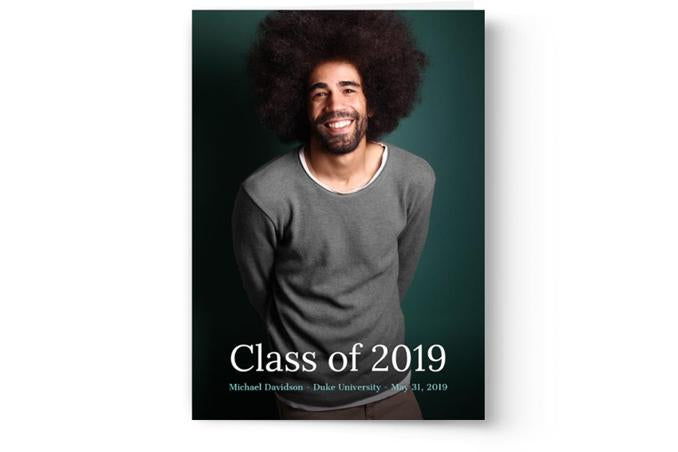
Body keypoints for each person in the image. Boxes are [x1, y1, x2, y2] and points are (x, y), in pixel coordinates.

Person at [232, 11, 434, 420]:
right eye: (318, 92)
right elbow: (263, 295)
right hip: (307, 404)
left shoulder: (415, 179)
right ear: (300, 105)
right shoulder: (264, 195)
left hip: (394, 391)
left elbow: (399, 277)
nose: (335, 105)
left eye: (349, 89)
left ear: (372, 100)